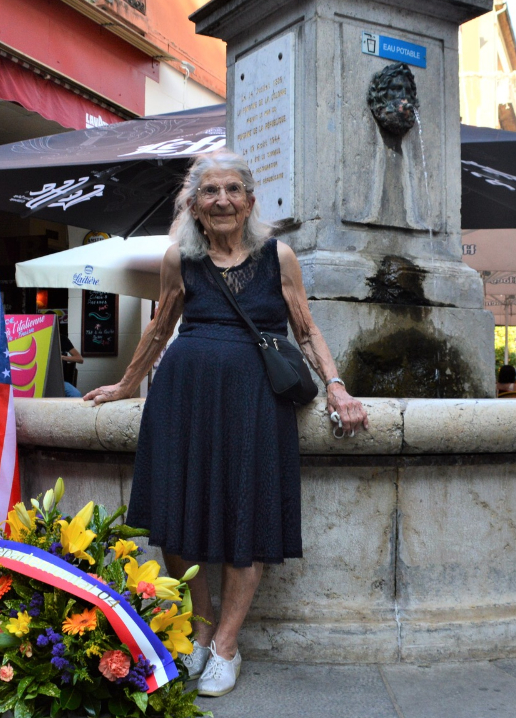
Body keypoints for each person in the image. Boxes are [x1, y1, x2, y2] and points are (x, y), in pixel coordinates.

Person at [82, 151, 369, 698]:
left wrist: (336, 385)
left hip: (255, 400)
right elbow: (160, 329)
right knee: (176, 508)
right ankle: (203, 618)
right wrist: (125, 385)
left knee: (250, 513)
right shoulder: (179, 260)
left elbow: (305, 331)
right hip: (184, 398)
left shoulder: (278, 256)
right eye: (209, 192)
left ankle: (227, 646)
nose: (221, 201)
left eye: (232, 190)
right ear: (194, 204)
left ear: (250, 200)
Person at [59, 327, 84, 398]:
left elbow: (80, 359)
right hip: (40, 381)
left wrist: (62, 357)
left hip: (60, 381)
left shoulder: (62, 339)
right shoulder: (39, 339)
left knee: (76, 394)